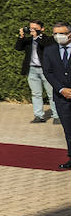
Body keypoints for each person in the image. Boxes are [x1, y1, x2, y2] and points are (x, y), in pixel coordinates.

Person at [39, 22, 71, 169]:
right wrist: (61, 89)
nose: (59, 36)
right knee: (68, 129)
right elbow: (48, 71)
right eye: (55, 34)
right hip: (61, 97)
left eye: (62, 33)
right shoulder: (49, 50)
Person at [17, 21, 57, 123]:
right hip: (32, 69)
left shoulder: (49, 39)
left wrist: (37, 37)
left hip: (46, 70)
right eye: (31, 28)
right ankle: (39, 115)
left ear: (42, 29)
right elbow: (18, 47)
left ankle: (56, 115)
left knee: (51, 93)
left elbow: (45, 45)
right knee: (36, 94)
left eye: (35, 28)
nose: (32, 30)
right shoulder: (29, 40)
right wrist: (21, 36)